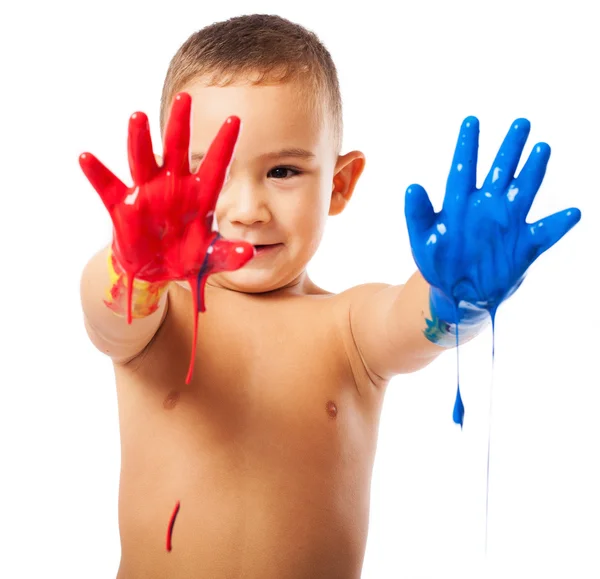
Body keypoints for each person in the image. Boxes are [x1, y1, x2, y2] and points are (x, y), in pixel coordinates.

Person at [78, 13, 580, 579]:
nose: (247, 209)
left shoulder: (346, 328)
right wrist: (132, 267)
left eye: (284, 171)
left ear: (339, 184)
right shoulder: (160, 311)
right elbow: (109, 317)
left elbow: (411, 322)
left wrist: (454, 295)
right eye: (211, 174)